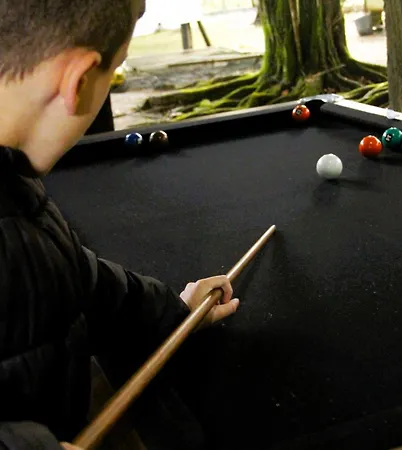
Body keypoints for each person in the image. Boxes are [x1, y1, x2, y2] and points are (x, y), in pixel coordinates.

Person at [0, 1, 240, 449]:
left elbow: (75, 277)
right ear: (78, 81)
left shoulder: (14, 182)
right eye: (114, 71)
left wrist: (173, 309)